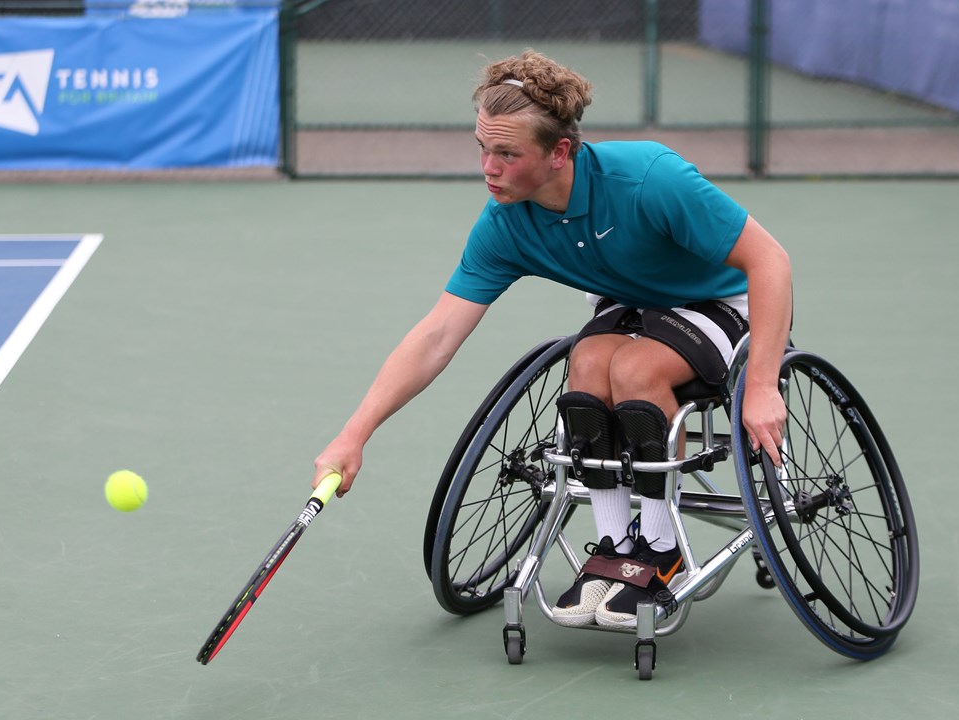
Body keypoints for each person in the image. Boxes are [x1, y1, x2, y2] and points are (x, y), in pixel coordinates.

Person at [313, 49, 791, 628]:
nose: (488, 167)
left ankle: (660, 551)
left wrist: (762, 384)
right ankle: (616, 548)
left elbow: (770, 261)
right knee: (587, 362)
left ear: (559, 152)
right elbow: (437, 334)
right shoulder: (505, 223)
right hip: (631, 304)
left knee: (636, 373)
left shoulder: (647, 179)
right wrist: (354, 434)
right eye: (482, 148)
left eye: (507, 154)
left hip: (721, 299)